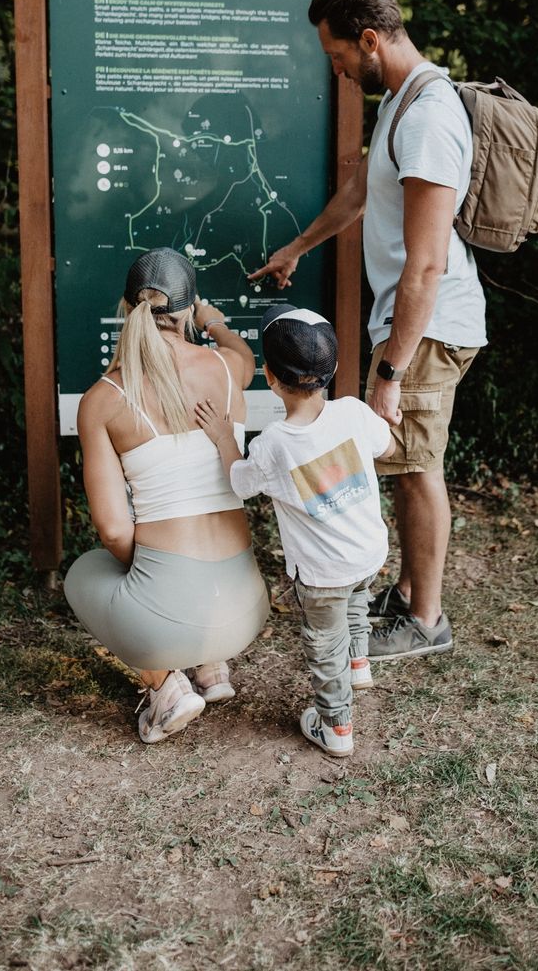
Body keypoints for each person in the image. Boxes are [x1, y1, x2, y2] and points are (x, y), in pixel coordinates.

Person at [248, 0, 486, 661]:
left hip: (428, 326)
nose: (338, 69)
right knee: (408, 459)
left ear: (371, 39)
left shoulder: (430, 116)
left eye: (338, 54)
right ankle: (409, 594)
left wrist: (391, 372)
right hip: (413, 324)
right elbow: (359, 192)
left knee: (418, 467)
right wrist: (297, 247)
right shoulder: (401, 104)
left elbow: (427, 264)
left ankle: (427, 620)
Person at [64, 248, 270, 743]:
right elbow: (244, 356)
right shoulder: (227, 369)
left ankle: (167, 689)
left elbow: (114, 530)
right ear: (188, 309)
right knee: (184, 579)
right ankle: (212, 667)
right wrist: (215, 324)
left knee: (83, 574)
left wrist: (163, 574)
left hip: (169, 623)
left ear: (126, 307)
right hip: (245, 609)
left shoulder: (103, 400)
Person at [196, 305, 393, 757]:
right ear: (333, 370)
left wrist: (225, 439)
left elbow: (241, 484)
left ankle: (336, 725)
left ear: (268, 376)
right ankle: (358, 662)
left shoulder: (273, 446)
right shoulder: (354, 412)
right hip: (368, 552)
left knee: (325, 643)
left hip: (323, 575)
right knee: (357, 597)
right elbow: (385, 446)